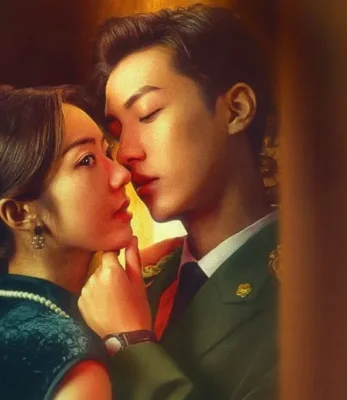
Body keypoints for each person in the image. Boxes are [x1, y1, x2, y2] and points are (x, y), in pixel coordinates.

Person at [78, 4, 279, 400]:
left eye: (148, 114)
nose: (126, 153)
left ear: (236, 110)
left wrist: (131, 343)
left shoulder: (319, 288)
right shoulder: (137, 280)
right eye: (117, 132)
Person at [0, 83, 170, 399]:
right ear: (19, 213)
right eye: (86, 161)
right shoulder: (68, 357)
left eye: (106, 153)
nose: (121, 175)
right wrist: (131, 340)